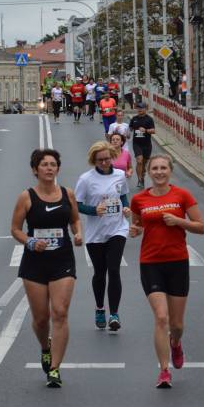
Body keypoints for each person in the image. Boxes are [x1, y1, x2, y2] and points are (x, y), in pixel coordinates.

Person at [130, 155, 204, 388]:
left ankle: (176, 343)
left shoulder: (182, 195)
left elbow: (201, 227)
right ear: (148, 172)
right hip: (150, 262)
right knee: (161, 317)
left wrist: (179, 221)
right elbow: (137, 225)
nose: (159, 172)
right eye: (155, 168)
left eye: (163, 168)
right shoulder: (139, 199)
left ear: (170, 171)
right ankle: (164, 370)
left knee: (177, 325)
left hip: (177, 262)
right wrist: (135, 230)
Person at [11, 149, 83, 388]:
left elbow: (75, 219)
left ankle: (55, 368)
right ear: (35, 170)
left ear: (58, 169)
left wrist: (78, 233)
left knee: (60, 313)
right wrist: (30, 241)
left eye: (53, 164)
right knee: (41, 319)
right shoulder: (26, 197)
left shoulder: (67, 193)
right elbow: (15, 229)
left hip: (62, 259)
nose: (49, 168)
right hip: (35, 262)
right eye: (44, 164)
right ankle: (45, 347)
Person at [75, 141, 130, 331]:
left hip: (117, 228)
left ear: (112, 157)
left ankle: (114, 314)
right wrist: (93, 210)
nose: (105, 162)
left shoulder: (120, 175)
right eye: (100, 160)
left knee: (114, 270)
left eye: (107, 158)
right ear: (94, 160)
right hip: (96, 232)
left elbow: (123, 196)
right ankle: (100, 308)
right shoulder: (86, 179)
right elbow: (77, 204)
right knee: (100, 273)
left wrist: (126, 208)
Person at [129, 103, 156, 189]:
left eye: (141, 108)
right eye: (138, 108)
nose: (139, 109)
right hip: (137, 143)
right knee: (139, 161)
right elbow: (130, 128)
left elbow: (153, 131)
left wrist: (146, 130)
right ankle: (140, 180)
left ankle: (142, 176)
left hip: (147, 144)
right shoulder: (134, 119)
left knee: (144, 164)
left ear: (145, 109)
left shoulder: (149, 119)